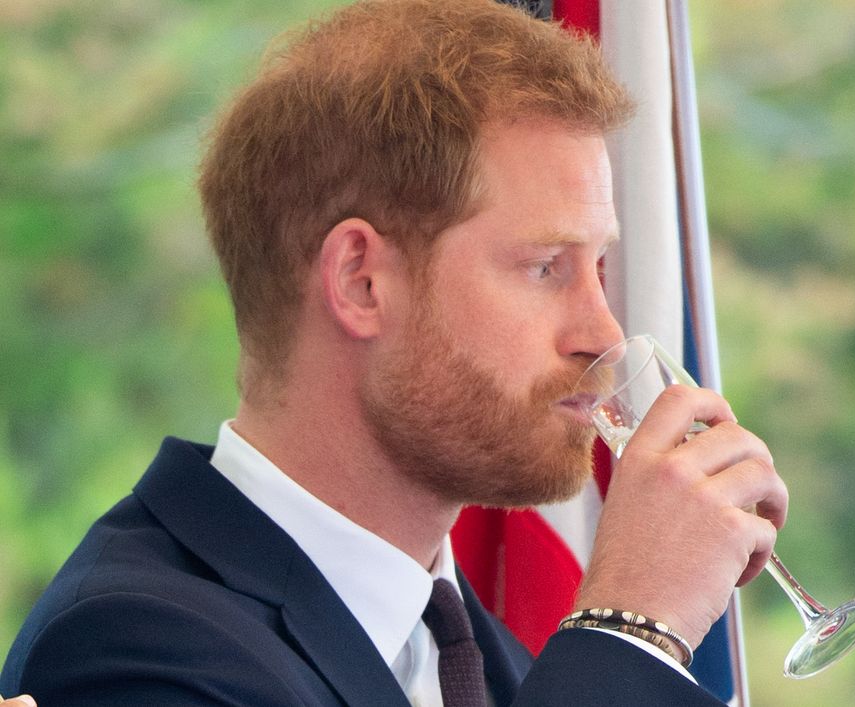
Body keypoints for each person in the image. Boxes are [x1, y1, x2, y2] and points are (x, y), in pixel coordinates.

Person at [0, 1, 787, 704]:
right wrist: (634, 627)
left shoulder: (487, 659)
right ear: (362, 280)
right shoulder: (126, 651)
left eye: (601, 269)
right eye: (545, 267)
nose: (605, 333)